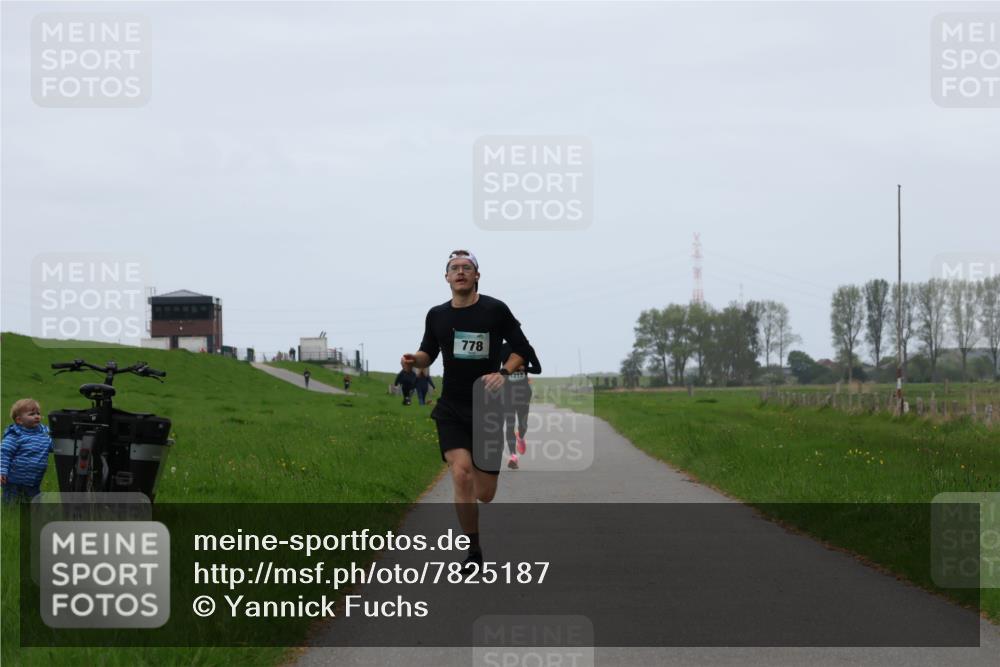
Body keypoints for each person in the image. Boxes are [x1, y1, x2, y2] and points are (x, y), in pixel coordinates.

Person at [402, 249, 534, 571]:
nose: (460, 272)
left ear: (476, 275)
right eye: (454, 268)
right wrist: (413, 360)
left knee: (485, 493)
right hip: (452, 406)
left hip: (488, 408)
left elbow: (522, 350)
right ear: (446, 278)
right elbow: (427, 353)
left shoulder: (494, 310)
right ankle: (473, 553)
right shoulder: (437, 315)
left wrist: (502, 374)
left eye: (466, 267)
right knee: (460, 473)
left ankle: (479, 492)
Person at [1, 399, 52, 504]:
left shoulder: (44, 433)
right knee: (11, 504)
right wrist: (2, 471)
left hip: (34, 480)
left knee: (34, 505)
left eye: (38, 413)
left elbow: (52, 446)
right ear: (19, 420)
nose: (37, 416)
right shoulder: (15, 435)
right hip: (14, 481)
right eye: (32, 414)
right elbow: (4, 454)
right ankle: (10, 515)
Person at [500, 342, 542, 469]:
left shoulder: (527, 348)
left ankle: (521, 436)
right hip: (507, 393)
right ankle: (513, 456)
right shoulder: (503, 348)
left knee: (523, 424)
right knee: (510, 424)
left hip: (523, 392)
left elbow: (538, 369)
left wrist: (525, 369)